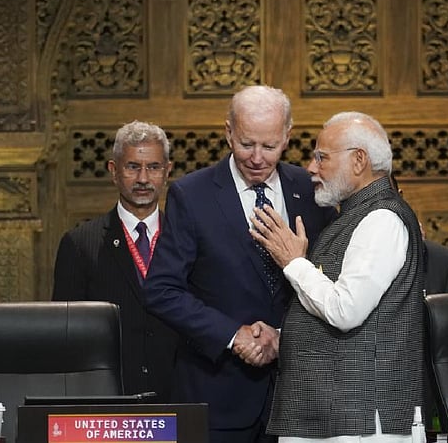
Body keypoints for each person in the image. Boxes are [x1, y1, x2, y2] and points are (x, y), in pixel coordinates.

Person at [144, 86, 336, 443]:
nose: (258, 158)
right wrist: (234, 336)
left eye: (270, 146)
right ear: (228, 132)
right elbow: (162, 290)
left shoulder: (312, 191)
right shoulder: (192, 194)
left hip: (298, 397)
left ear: (287, 137)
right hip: (217, 396)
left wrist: (285, 338)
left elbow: (333, 288)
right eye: (247, 144)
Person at [249, 111, 425, 442]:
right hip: (335, 415)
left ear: (359, 160)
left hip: (357, 420)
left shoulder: (381, 219)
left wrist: (293, 262)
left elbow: (345, 310)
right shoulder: (354, 216)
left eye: (321, 157)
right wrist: (282, 336)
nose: (311, 168)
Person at [52, 120, 178, 402]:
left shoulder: (187, 240)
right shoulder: (80, 244)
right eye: (133, 167)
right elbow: (67, 338)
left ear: (167, 171)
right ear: (114, 171)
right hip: (107, 399)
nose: (143, 178)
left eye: (154, 167)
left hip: (178, 397)